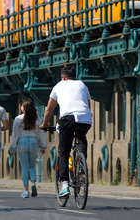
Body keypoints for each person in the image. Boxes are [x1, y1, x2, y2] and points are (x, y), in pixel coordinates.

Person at [41, 66, 92, 198]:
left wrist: (45, 124)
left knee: (63, 153)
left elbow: (49, 109)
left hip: (68, 119)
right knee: (81, 136)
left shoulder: (59, 85)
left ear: (63, 77)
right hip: (85, 119)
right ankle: (81, 163)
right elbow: (87, 105)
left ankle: (64, 185)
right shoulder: (82, 84)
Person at [9, 99, 46, 198]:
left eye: (21, 106)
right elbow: (41, 132)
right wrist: (43, 145)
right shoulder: (37, 118)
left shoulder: (18, 119)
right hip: (34, 141)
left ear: (24, 108)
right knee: (32, 165)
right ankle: (33, 183)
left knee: (24, 167)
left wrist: (12, 148)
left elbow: (14, 135)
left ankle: (26, 191)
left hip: (22, 142)